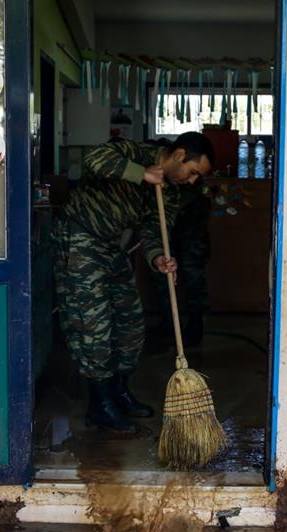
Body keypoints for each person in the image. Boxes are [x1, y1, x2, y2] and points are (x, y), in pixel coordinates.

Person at [53, 132, 215, 433]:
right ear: (179, 155)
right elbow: (94, 160)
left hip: (111, 245)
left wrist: (157, 258)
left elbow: (155, 230)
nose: (193, 181)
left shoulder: (170, 192)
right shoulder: (134, 151)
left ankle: (119, 391)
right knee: (93, 323)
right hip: (79, 237)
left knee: (131, 322)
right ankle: (100, 405)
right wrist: (141, 174)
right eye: (193, 172)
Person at [150, 175, 211, 347]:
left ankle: (196, 324)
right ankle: (168, 322)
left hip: (191, 236)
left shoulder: (192, 179)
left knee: (193, 280)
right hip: (168, 236)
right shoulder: (168, 174)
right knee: (163, 277)